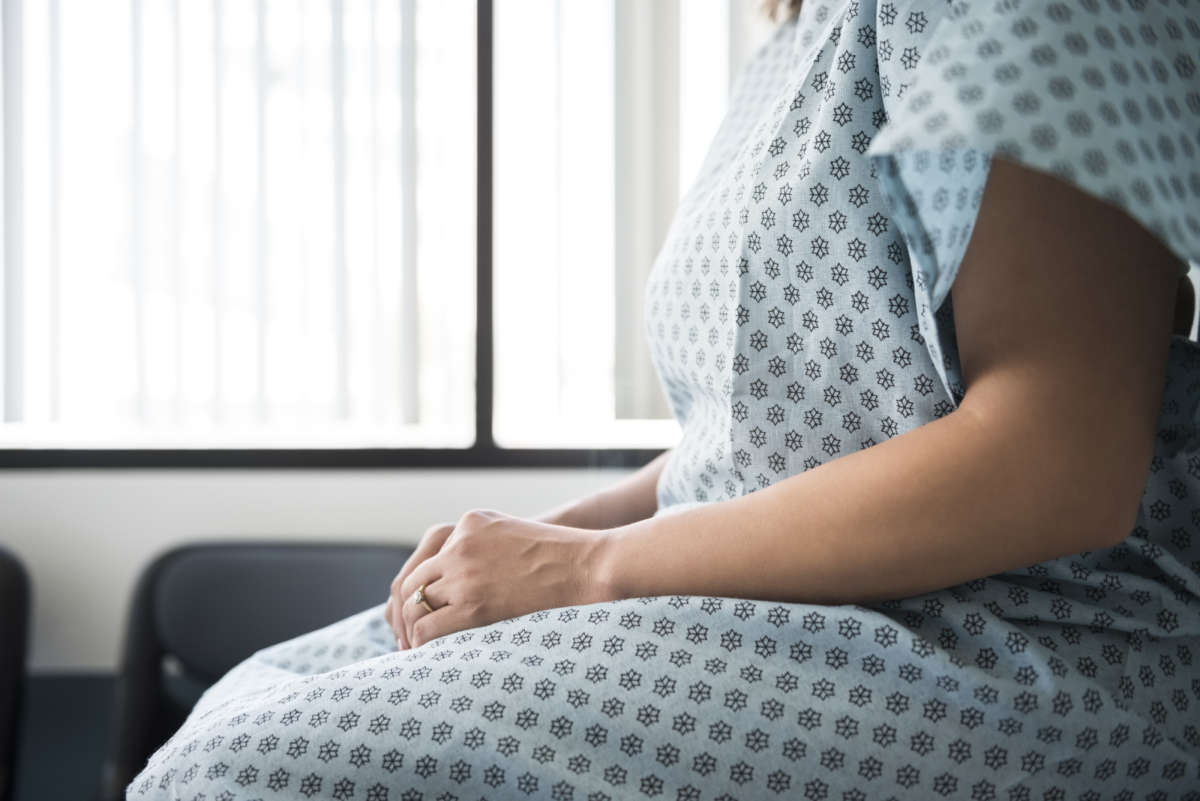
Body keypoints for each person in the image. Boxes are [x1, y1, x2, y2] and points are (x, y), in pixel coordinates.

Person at [130, 0, 1200, 798]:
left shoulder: (1042, 13)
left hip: (1017, 637)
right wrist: (537, 538)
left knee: (255, 771)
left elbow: (1054, 461)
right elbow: (758, 440)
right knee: (245, 700)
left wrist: (586, 570)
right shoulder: (795, 34)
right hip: (787, 596)